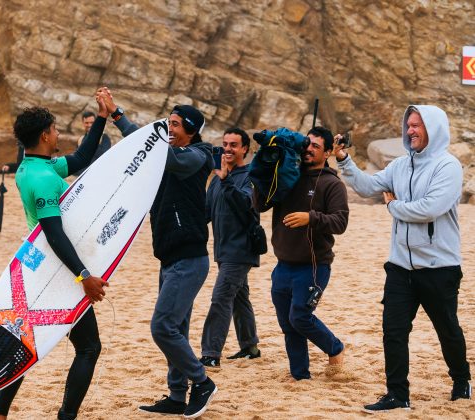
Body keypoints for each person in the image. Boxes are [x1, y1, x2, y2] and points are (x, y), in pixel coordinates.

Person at [334, 105, 471, 412]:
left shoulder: (448, 166)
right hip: (399, 267)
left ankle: (461, 380)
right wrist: (345, 160)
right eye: (408, 125)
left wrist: (394, 208)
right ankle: (397, 395)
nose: (410, 131)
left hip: (439, 268)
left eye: (417, 126)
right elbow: (369, 186)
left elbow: (429, 209)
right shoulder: (400, 165)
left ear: (433, 128)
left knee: (447, 329)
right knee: (393, 332)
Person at [97, 87, 217, 418]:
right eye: (168, 121)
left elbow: (155, 151)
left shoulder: (196, 156)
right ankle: (178, 396)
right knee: (176, 329)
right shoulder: (167, 159)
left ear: (190, 131)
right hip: (169, 258)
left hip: (190, 259)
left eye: (175, 124)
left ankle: (202, 382)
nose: (169, 127)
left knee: (162, 327)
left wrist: (118, 117)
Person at [0, 100, 109, 420]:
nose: (58, 134)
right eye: (55, 130)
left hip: (36, 266)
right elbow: (53, 234)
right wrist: (83, 276)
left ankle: (0, 414)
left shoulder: (33, 166)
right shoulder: (42, 178)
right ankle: (65, 417)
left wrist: (101, 117)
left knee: (25, 343)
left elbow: (83, 157)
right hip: (55, 270)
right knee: (88, 348)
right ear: (45, 135)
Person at [255, 126, 348, 381]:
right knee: (287, 323)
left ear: (328, 152)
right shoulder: (288, 175)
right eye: (307, 144)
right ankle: (300, 376)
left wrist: (311, 218)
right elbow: (260, 204)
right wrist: (264, 174)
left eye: (316, 146)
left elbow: (340, 222)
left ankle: (335, 347)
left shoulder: (332, 184)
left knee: (300, 316)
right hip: (283, 264)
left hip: (314, 265)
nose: (308, 149)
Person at [199, 127, 261, 368]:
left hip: (241, 250)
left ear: (244, 149)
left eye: (233, 145)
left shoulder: (250, 177)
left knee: (221, 298)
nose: (227, 149)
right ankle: (250, 346)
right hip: (223, 251)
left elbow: (246, 205)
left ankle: (210, 354)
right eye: (225, 144)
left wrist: (225, 180)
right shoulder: (216, 179)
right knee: (239, 298)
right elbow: (205, 212)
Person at [73, 111, 111, 175]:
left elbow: (105, 157)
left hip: (98, 175)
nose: (89, 125)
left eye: (92, 122)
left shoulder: (104, 137)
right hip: (83, 177)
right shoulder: (80, 140)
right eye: (86, 123)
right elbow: (78, 160)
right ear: (83, 123)